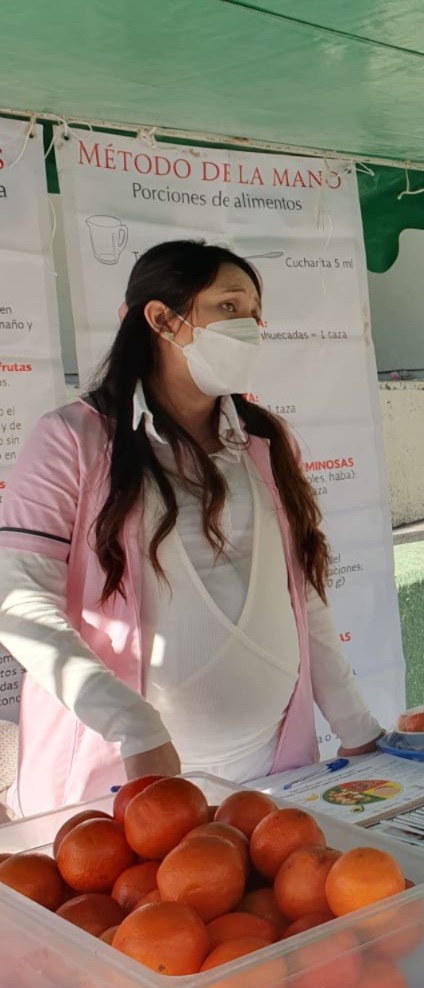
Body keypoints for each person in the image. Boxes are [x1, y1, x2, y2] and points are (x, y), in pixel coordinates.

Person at [0, 240, 384, 816]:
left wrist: (356, 727)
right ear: (162, 320)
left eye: (254, 312)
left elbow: (302, 594)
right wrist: (135, 727)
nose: (250, 326)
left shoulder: (265, 442)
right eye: (228, 308)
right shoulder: (73, 441)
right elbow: (21, 602)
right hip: (127, 790)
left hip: (267, 781)